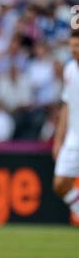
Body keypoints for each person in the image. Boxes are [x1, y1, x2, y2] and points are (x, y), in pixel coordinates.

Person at [53, 30, 79, 223]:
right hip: (73, 137)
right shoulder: (69, 69)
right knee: (61, 184)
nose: (74, 50)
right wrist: (59, 139)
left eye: (77, 46)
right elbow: (67, 104)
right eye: (72, 46)